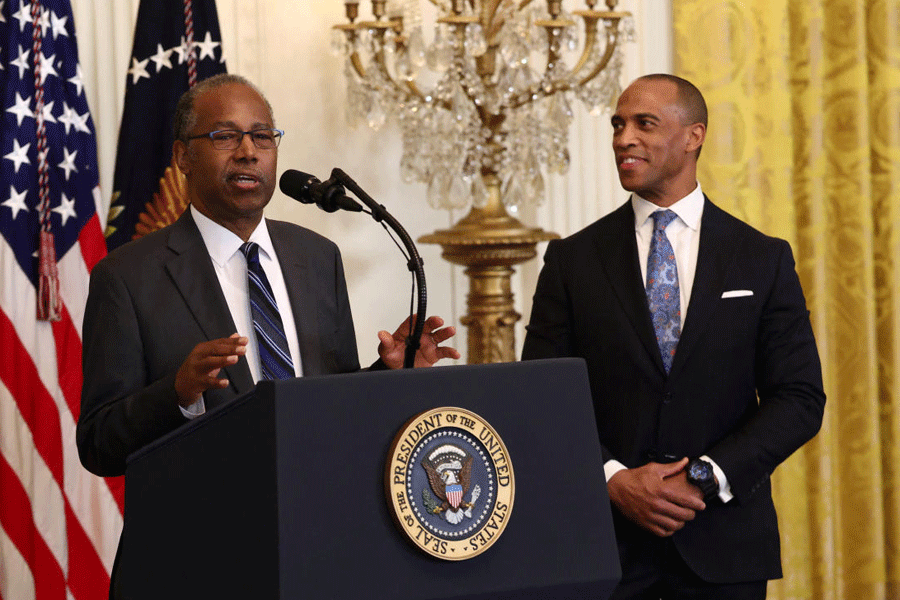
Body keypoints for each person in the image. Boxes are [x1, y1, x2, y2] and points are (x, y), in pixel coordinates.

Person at [522, 74, 825, 599]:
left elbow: (799, 398)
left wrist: (705, 477)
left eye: (645, 123)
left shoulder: (762, 257)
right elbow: (540, 398)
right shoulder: (571, 260)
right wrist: (614, 479)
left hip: (723, 552)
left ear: (693, 136)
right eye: (618, 125)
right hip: (602, 552)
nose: (623, 138)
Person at [77, 73, 459, 479]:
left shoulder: (316, 258)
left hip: (315, 521)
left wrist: (389, 375)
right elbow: (99, 445)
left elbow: (334, 404)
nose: (248, 152)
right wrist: (179, 393)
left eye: (262, 137)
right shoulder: (126, 277)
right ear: (183, 157)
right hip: (201, 532)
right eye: (225, 136)